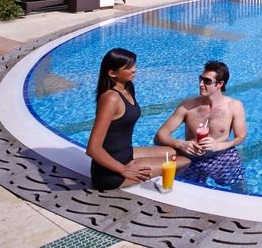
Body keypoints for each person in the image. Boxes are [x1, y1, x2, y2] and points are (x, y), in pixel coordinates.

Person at [86, 48, 185, 190]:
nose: (134, 70)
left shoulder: (127, 88)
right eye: (128, 67)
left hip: (125, 153)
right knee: (184, 161)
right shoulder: (111, 98)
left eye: (133, 65)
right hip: (110, 172)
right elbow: (93, 149)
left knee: (176, 152)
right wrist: (123, 170)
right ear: (112, 73)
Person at [154, 60, 248, 191]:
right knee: (185, 191)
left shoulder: (234, 106)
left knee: (239, 188)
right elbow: (159, 136)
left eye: (207, 81)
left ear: (220, 84)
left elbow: (241, 136)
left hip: (222, 156)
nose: (201, 84)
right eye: (201, 79)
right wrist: (180, 144)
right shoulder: (188, 105)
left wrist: (219, 145)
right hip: (192, 158)